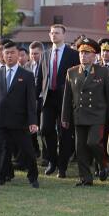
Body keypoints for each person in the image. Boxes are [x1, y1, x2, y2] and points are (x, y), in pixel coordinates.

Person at [0, 40, 40, 190]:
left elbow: (31, 101)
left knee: (28, 151)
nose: (10, 56)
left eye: (12, 53)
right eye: (7, 53)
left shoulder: (27, 75)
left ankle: (33, 177)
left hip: (20, 121)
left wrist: (33, 121)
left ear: (18, 55)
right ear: (2, 55)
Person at [61, 39, 109, 186]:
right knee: (80, 148)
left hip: (97, 115)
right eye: (81, 53)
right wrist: (65, 116)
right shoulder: (71, 72)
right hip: (79, 114)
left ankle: (104, 163)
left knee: (93, 142)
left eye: (87, 53)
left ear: (94, 56)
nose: (83, 56)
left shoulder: (103, 71)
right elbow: (67, 97)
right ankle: (85, 178)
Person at [40, 24, 78, 178]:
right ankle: (52, 161)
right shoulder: (46, 53)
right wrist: (37, 96)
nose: (53, 35)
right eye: (51, 33)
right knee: (45, 129)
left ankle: (62, 166)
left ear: (64, 35)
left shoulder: (73, 54)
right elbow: (40, 77)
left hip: (65, 99)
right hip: (48, 97)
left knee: (65, 134)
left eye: (56, 33)